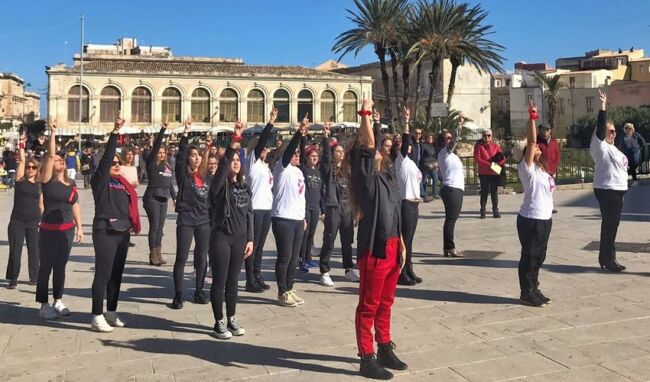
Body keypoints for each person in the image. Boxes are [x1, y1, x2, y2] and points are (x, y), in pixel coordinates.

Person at [349, 101, 407, 380]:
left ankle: (384, 346)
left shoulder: (388, 174)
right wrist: (364, 116)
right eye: (373, 149)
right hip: (375, 247)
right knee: (369, 305)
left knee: (387, 302)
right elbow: (368, 144)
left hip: (393, 244)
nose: (378, 150)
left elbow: (395, 210)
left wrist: (403, 244)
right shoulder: (365, 177)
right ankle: (366, 356)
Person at [90, 118, 141, 332]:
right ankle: (96, 315)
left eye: (119, 162)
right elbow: (107, 159)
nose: (117, 164)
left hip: (122, 230)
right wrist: (115, 132)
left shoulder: (123, 183)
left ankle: (111, 311)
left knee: (116, 274)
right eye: (114, 162)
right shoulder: (100, 181)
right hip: (105, 229)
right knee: (103, 273)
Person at [208, 121, 254, 339]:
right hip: (221, 238)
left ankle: (232, 318)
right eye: (232, 161)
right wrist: (235, 142)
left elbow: (250, 214)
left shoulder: (244, 186)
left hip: (240, 239)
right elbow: (224, 164)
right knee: (220, 280)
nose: (235, 163)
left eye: (238, 160)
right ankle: (219, 322)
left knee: (233, 281)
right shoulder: (219, 185)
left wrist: (250, 239)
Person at [36, 121, 83, 320]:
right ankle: (43, 305)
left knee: (61, 266)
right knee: (46, 266)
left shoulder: (70, 183)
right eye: (56, 160)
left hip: (67, 230)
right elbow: (50, 154)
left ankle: (58, 300)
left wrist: (80, 228)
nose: (59, 161)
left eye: (60, 159)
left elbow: (75, 205)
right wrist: (53, 133)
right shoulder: (46, 180)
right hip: (49, 230)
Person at [170, 118, 212, 309]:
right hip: (186, 220)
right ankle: (179, 294)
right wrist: (185, 133)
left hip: (204, 221)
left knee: (202, 257)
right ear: (188, 157)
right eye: (193, 155)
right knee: (182, 257)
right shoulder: (183, 175)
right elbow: (179, 157)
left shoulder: (204, 177)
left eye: (198, 155)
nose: (196, 158)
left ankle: (199, 291)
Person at [517, 104, 555, 307]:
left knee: (540, 255)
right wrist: (532, 118)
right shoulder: (527, 169)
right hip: (530, 218)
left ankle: (534, 287)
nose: (538, 147)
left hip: (544, 218)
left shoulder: (543, 170)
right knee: (530, 255)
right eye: (535, 148)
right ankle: (526, 291)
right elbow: (532, 141)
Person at [590, 90, 628, 272]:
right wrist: (602, 106)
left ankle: (608, 257)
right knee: (610, 224)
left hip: (617, 190)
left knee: (613, 225)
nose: (613, 134)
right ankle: (607, 259)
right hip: (607, 189)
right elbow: (599, 127)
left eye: (614, 131)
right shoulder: (600, 146)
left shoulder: (615, 149)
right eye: (610, 131)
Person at [272, 115, 308, 307]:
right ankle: (281, 291)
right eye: (293, 153)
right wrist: (298, 133)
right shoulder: (281, 167)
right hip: (282, 218)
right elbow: (289, 153)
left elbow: (301, 197)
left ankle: (290, 287)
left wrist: (303, 217)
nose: (297, 155)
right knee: (285, 256)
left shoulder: (299, 171)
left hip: (296, 218)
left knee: (295, 257)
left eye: (298, 154)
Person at [318, 123, 359, 287]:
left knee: (347, 241)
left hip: (347, 207)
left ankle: (348, 269)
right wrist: (326, 138)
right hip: (333, 207)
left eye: (342, 152)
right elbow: (325, 159)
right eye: (337, 151)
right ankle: (324, 271)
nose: (340, 154)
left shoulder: (349, 169)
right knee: (329, 239)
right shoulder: (329, 169)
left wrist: (356, 210)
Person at [244, 109, 277, 293]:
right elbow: (261, 142)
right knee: (252, 246)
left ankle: (257, 275)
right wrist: (270, 123)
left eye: (266, 148)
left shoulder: (265, 166)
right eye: (262, 147)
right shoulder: (252, 162)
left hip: (266, 209)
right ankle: (249, 279)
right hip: (255, 209)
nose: (265, 149)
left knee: (261, 246)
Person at [5, 134, 42, 289]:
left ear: (37, 169)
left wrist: (43, 219)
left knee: (34, 251)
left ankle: (34, 278)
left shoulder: (40, 184)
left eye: (33, 167)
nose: (30, 169)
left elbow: (42, 203)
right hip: (17, 221)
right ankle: (13, 279)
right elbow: (21, 160)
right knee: (15, 250)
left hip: (34, 221)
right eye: (29, 167)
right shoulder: (20, 180)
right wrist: (22, 145)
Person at [393, 107, 423, 286]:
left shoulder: (411, 161)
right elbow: (405, 143)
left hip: (414, 203)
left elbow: (414, 146)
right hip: (406, 204)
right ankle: (401, 271)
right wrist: (406, 122)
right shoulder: (400, 160)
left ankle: (409, 268)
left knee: (410, 240)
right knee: (405, 240)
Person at [143, 123, 176, 266]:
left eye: (164, 152)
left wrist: (175, 198)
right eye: (159, 152)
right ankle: (152, 254)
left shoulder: (167, 166)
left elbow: (170, 184)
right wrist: (163, 130)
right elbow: (156, 146)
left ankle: (159, 253)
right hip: (152, 197)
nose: (161, 154)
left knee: (160, 228)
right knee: (154, 226)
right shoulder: (152, 164)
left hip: (164, 198)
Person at [437, 127, 465, 258]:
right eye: (447, 138)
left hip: (456, 188)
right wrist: (459, 127)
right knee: (451, 219)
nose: (450, 140)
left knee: (451, 218)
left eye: (450, 137)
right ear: (443, 141)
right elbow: (453, 144)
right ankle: (449, 247)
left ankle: (448, 246)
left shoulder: (453, 155)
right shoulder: (444, 153)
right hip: (451, 188)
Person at [298, 137, 324, 273]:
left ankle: (308, 258)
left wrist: (322, 209)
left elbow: (321, 191)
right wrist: (303, 136)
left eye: (316, 156)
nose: (314, 158)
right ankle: (301, 259)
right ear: (307, 158)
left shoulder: (318, 172)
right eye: (312, 156)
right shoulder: (304, 169)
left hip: (315, 207)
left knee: (311, 234)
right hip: (306, 207)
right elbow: (302, 152)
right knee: (305, 233)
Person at [474, 129, 505, 219]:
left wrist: (499, 163)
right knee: (484, 191)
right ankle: (483, 210)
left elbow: (502, 157)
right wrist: (489, 164)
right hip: (484, 172)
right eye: (484, 135)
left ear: (491, 136)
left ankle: (495, 210)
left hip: (494, 172)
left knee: (494, 192)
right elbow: (477, 158)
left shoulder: (495, 146)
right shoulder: (479, 146)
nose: (487, 137)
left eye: (489, 135)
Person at [537, 125, 560, 213]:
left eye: (548, 130)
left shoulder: (554, 141)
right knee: (541, 189)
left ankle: (550, 207)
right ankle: (541, 206)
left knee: (550, 189)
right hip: (541, 169)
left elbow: (557, 155)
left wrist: (554, 166)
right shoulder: (537, 141)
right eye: (544, 129)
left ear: (550, 131)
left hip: (551, 169)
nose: (546, 131)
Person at [617, 122, 646, 187]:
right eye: (626, 128)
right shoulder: (623, 136)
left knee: (635, 162)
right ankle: (635, 180)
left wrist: (639, 148)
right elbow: (621, 144)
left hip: (636, 151)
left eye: (629, 128)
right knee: (629, 165)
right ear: (625, 129)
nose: (628, 129)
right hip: (628, 152)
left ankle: (632, 173)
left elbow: (643, 142)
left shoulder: (636, 135)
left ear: (632, 128)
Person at [420, 133, 439, 202]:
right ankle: (424, 195)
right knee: (424, 181)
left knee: (435, 179)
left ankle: (435, 193)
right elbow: (421, 157)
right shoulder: (423, 146)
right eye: (429, 138)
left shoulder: (433, 146)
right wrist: (426, 164)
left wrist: (436, 163)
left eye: (431, 138)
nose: (430, 139)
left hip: (433, 165)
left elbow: (434, 156)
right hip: (426, 166)